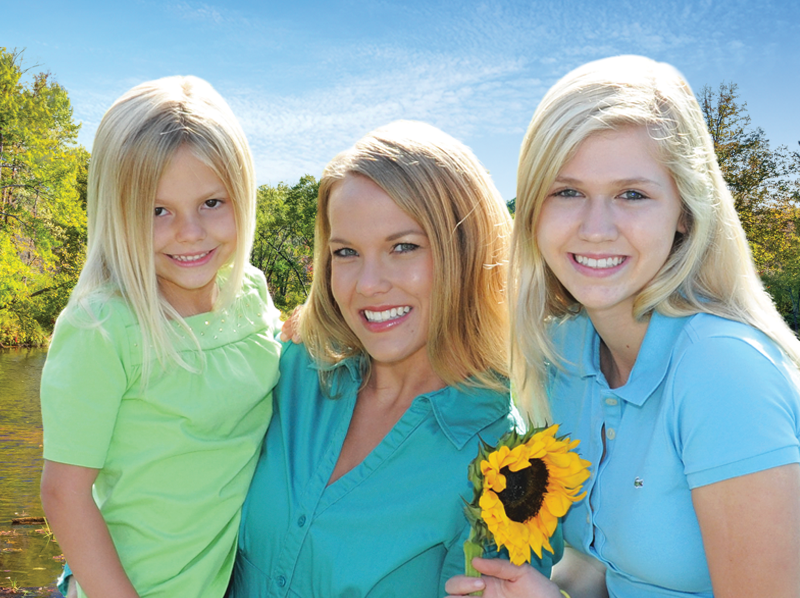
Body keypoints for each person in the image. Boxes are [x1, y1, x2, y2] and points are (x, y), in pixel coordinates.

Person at [446, 55, 800, 598]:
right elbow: (603, 566)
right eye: (567, 192)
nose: (596, 228)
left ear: (685, 212)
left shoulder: (722, 371)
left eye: (631, 194)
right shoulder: (564, 350)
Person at [228, 120, 562, 598]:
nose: (367, 284)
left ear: (464, 252)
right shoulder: (289, 371)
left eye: (402, 247)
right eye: (346, 252)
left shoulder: (511, 471)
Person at [39, 76, 282, 598]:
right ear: (115, 211)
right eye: (157, 211)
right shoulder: (103, 328)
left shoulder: (252, 294)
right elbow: (64, 494)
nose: (190, 232)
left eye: (212, 202)